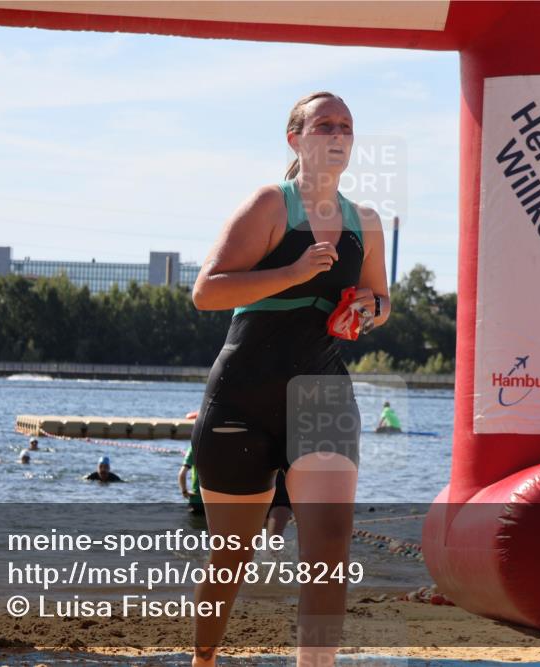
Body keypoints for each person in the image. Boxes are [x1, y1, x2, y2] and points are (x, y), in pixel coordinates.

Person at [188, 90, 390, 667]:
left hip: (324, 394)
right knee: (231, 557)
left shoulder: (365, 222)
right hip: (243, 397)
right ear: (295, 139)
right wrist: (294, 272)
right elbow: (206, 291)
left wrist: (367, 310)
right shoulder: (270, 205)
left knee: (328, 552)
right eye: (324, 124)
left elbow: (381, 300)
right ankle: (203, 662)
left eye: (346, 126)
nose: (338, 134)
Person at [179, 447, 205, 515]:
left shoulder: (194, 447)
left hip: (197, 500)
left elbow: (182, 474)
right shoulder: (223, 446)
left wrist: (184, 491)